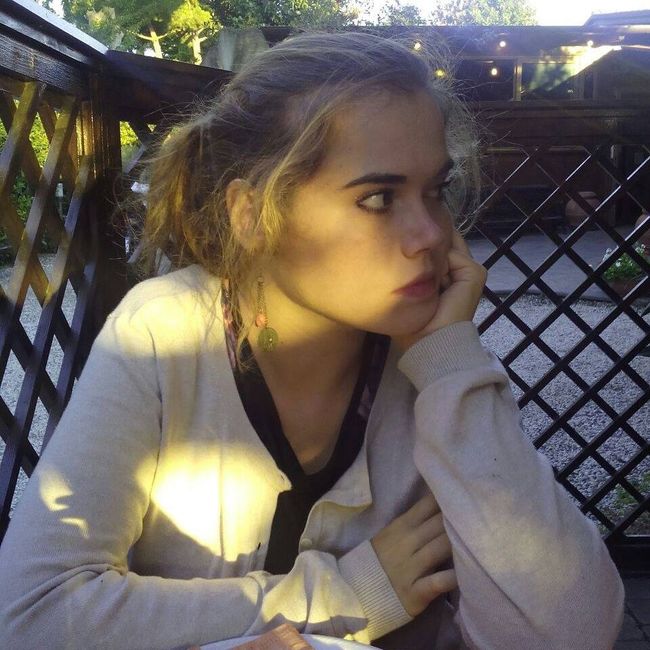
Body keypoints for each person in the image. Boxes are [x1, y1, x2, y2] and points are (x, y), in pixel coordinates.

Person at [0, 31, 624, 650]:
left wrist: (450, 360)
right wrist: (348, 593)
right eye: (379, 198)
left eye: (435, 191)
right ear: (251, 216)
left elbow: (569, 635)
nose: (433, 235)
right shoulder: (164, 334)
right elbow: (33, 615)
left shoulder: (429, 355)